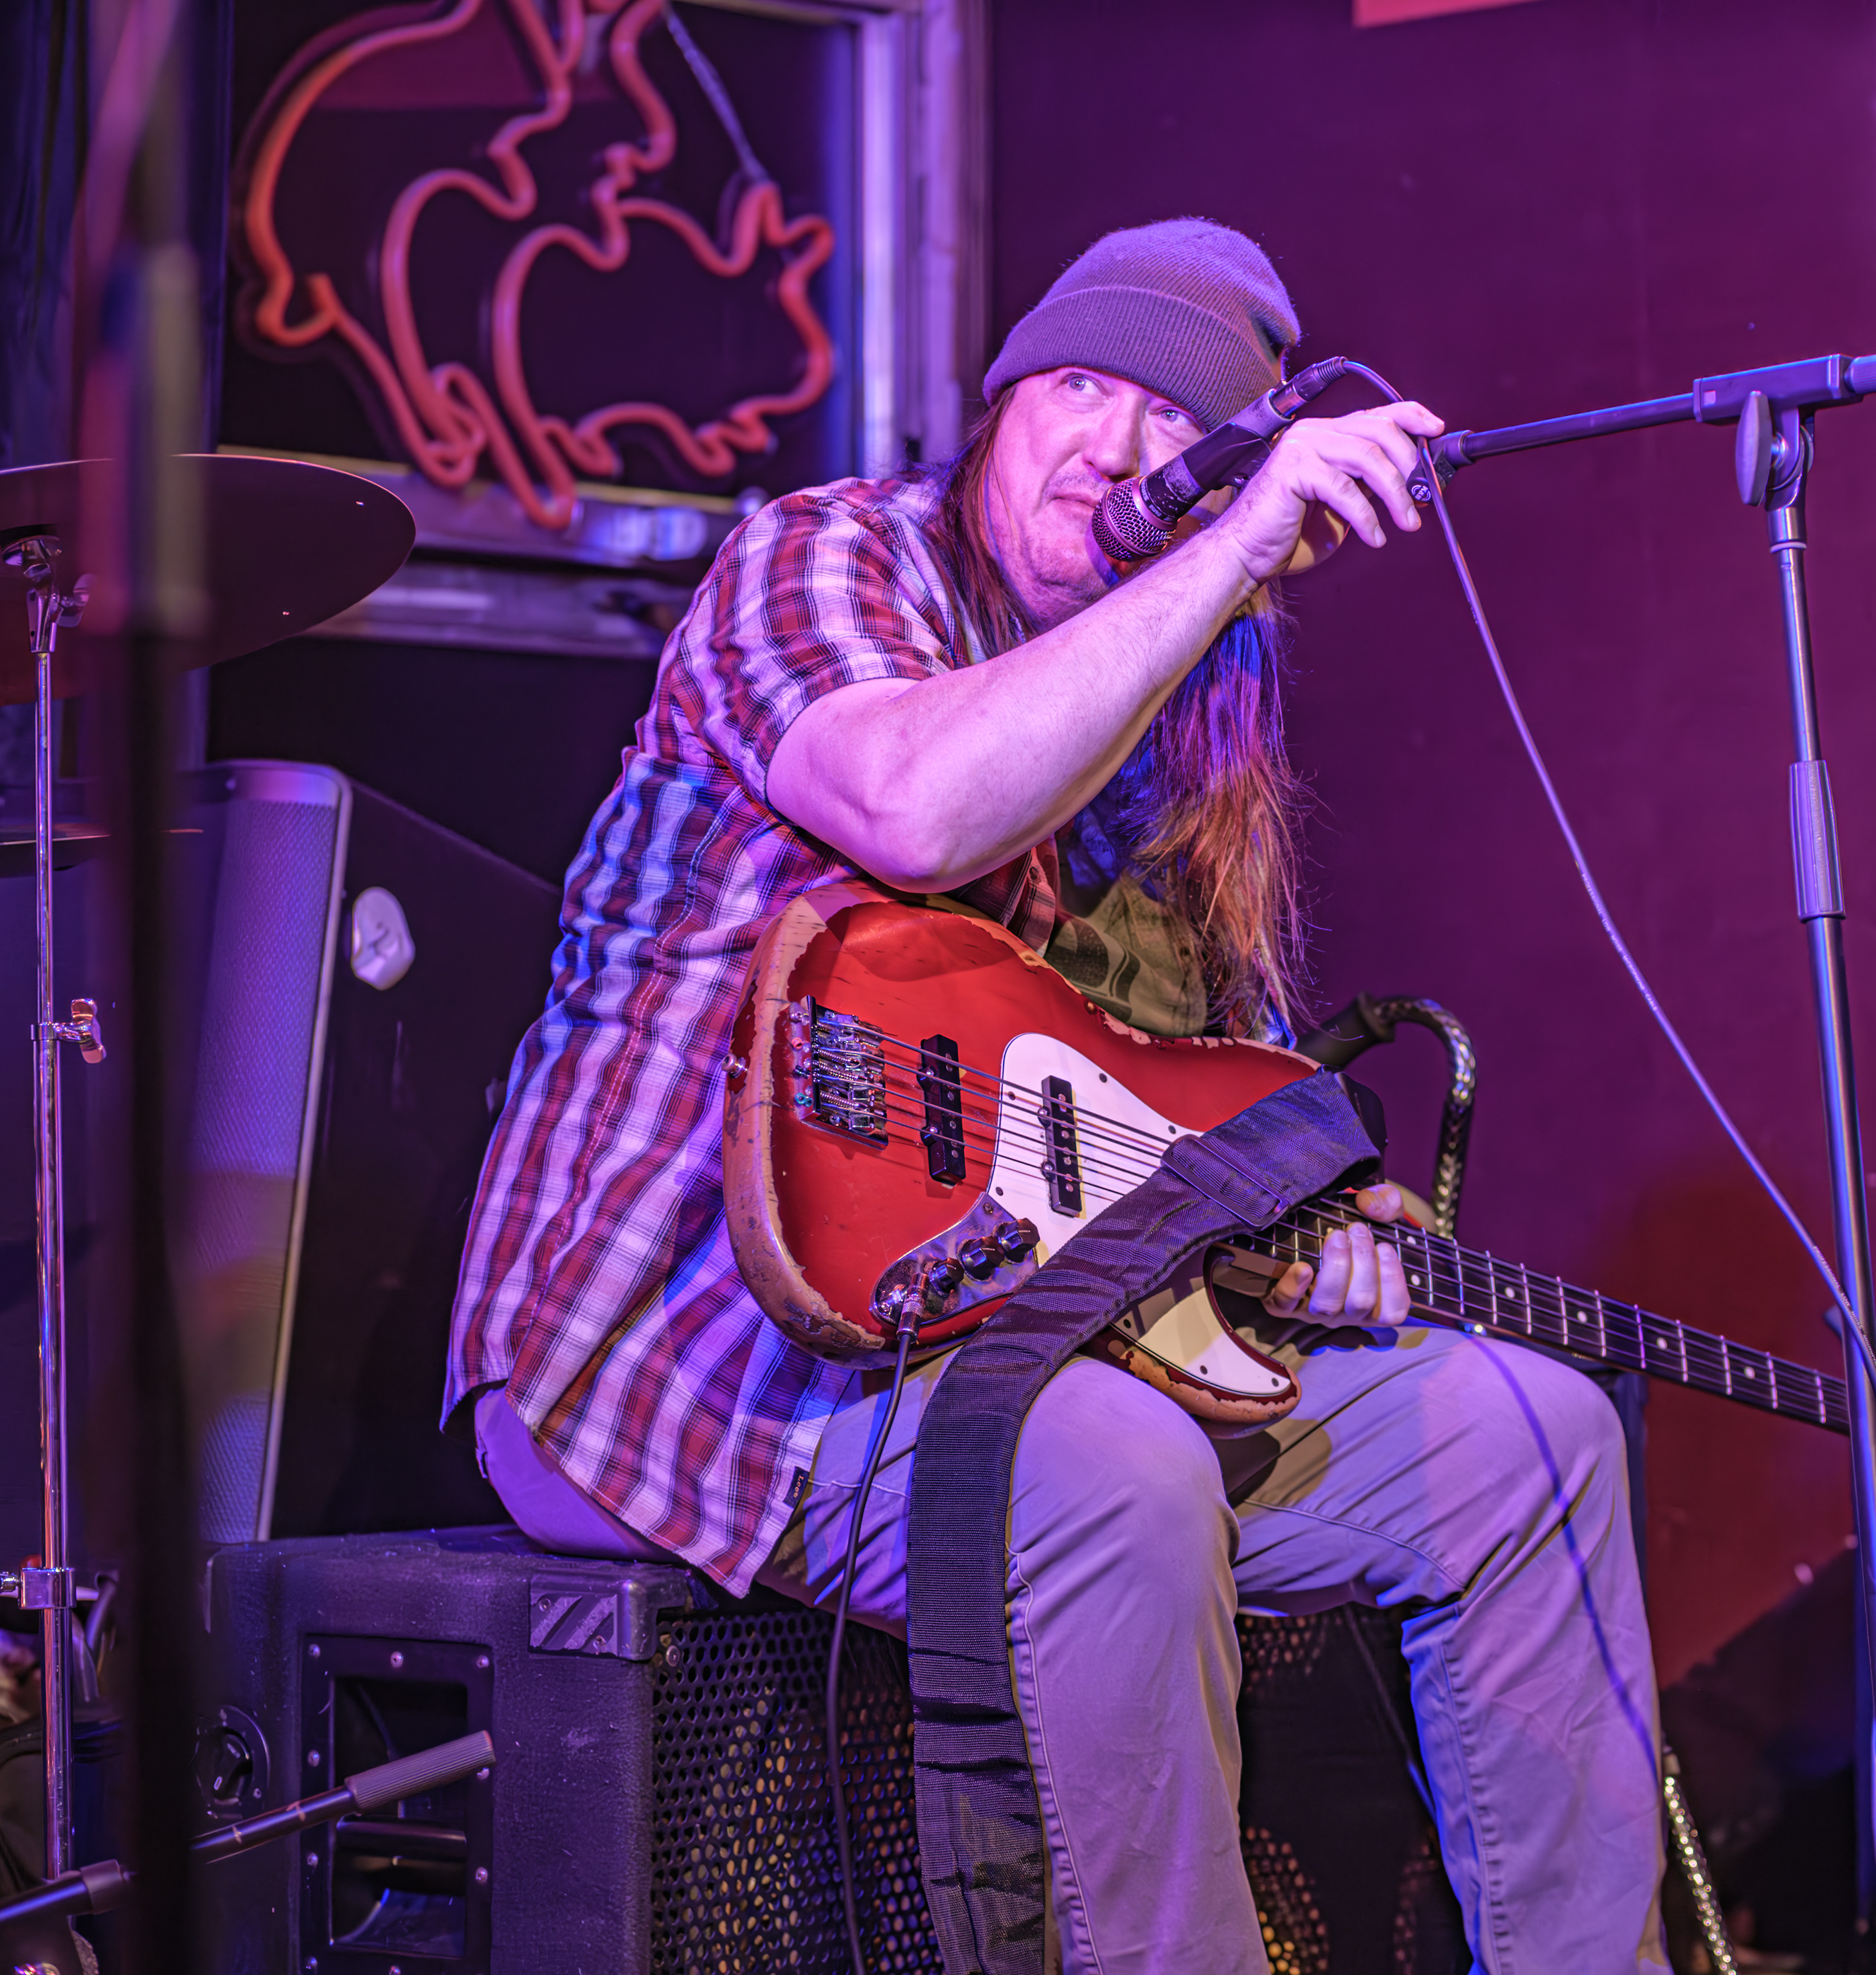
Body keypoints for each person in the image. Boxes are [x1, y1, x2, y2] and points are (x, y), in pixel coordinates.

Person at [448, 219, 1667, 1973]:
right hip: (682, 1343)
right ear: (1004, 401)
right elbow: (917, 806)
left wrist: (1307, 1240)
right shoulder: (828, 556)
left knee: (1531, 1437)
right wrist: (1235, 545)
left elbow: (1192, 1137)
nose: (1114, 448)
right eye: (1083, 388)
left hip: (1029, 1343)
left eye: (1177, 429)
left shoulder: (1196, 719)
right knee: (1119, 1467)